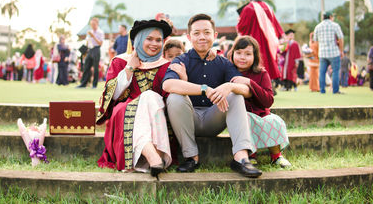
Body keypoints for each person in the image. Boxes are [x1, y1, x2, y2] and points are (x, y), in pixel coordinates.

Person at [162, 13, 262, 178]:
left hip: (214, 118)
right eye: (196, 33)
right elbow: (168, 85)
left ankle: (241, 157)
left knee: (236, 94)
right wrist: (205, 89)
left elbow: (248, 90)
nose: (202, 37)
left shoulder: (224, 63)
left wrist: (230, 86)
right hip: (189, 119)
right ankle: (191, 157)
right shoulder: (181, 60)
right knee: (174, 97)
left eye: (207, 32)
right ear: (189, 37)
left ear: (214, 35)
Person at [96, 19, 173, 177]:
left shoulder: (166, 65)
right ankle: (155, 156)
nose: (155, 44)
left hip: (156, 114)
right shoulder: (120, 61)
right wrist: (129, 68)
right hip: (125, 111)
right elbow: (111, 97)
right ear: (138, 40)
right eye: (149, 39)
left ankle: (153, 156)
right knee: (142, 100)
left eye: (159, 40)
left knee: (150, 97)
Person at [227, 35, 291, 167]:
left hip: (261, 113)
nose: (242, 57)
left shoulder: (261, 73)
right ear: (232, 53)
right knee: (246, 119)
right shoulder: (228, 72)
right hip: (239, 114)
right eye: (238, 53)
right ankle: (251, 154)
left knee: (273, 121)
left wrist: (250, 83)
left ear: (255, 56)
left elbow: (268, 101)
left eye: (248, 54)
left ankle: (276, 156)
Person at [236, 0, 284, 81]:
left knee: (256, 62)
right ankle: (269, 85)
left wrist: (238, 23)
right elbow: (276, 25)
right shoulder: (268, 7)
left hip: (254, 41)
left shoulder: (249, 8)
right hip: (269, 42)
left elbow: (242, 27)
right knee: (268, 62)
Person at [313, 12, 344, 94]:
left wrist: (319, 50)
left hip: (322, 53)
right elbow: (340, 38)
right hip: (334, 52)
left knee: (322, 72)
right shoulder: (335, 25)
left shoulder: (318, 26)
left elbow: (315, 41)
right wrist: (341, 50)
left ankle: (322, 90)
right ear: (330, 17)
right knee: (335, 71)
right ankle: (335, 90)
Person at [77, 17, 104, 88]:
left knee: (95, 68)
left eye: (94, 24)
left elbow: (100, 43)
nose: (92, 25)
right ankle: (83, 84)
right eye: (91, 24)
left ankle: (94, 85)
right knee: (86, 67)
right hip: (90, 50)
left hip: (96, 49)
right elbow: (87, 41)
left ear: (97, 24)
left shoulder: (100, 32)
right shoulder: (89, 31)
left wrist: (93, 36)